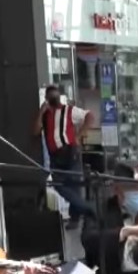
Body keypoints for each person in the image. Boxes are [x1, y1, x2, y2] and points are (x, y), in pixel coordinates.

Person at [33, 85, 93, 229]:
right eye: (51, 97)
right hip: (55, 155)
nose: (54, 100)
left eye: (56, 97)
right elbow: (35, 131)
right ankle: (88, 208)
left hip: (70, 151)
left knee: (74, 184)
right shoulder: (46, 115)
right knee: (60, 185)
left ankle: (76, 217)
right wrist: (41, 112)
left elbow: (89, 116)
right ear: (47, 99)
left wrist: (79, 135)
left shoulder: (68, 110)